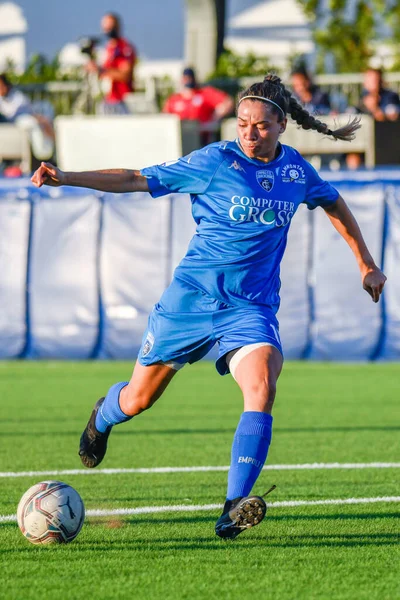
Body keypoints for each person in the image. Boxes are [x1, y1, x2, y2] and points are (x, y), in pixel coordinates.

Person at [31, 74, 386, 540]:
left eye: (259, 125)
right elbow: (137, 179)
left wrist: (366, 264)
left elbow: (333, 202)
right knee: (138, 399)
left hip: (250, 308)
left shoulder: (296, 171)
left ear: (281, 124)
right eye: (241, 123)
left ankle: (234, 505)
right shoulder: (215, 160)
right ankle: (103, 415)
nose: (248, 132)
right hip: (190, 303)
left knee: (262, 384)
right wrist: (69, 177)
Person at [163, 67, 234, 145]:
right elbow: (166, 116)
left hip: (202, 138)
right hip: (181, 140)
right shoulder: (174, 99)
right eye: (186, 78)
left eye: (190, 77)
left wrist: (215, 118)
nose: (188, 80)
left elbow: (227, 102)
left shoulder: (204, 93)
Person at [86, 12, 136, 114]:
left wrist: (100, 70)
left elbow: (125, 75)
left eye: (110, 27)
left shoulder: (124, 47)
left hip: (121, 102)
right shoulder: (109, 48)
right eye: (105, 27)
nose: (107, 30)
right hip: (108, 100)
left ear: (117, 27)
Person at [0, 73, 54, 167]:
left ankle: (44, 154)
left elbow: (28, 112)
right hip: (10, 127)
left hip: (23, 123)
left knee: (37, 123)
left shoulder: (18, 97)